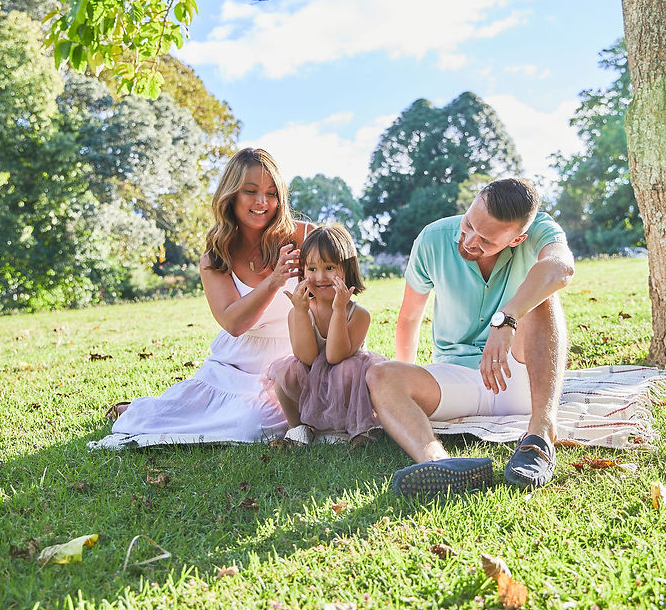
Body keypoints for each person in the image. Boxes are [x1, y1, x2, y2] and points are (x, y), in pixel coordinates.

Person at [365, 177, 575, 494]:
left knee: (545, 295)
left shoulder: (538, 230)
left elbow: (561, 268)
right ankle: (438, 464)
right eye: (469, 224)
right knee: (380, 375)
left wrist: (506, 319)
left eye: (486, 240)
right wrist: (404, 390)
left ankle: (540, 434)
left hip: (517, 379)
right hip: (454, 378)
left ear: (517, 239)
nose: (469, 240)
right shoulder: (433, 238)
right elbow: (408, 317)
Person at [108, 148, 312, 442]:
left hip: (293, 357)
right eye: (250, 191)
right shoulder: (216, 256)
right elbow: (234, 324)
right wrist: (274, 281)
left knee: (271, 418)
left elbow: (336, 290)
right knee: (253, 425)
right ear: (231, 195)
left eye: (271, 193)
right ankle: (152, 409)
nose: (262, 202)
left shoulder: (304, 236)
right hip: (235, 367)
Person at [266, 224, 385, 443]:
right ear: (303, 272)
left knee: (346, 370)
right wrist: (301, 313)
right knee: (288, 372)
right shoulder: (298, 312)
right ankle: (297, 428)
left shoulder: (359, 315)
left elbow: (334, 356)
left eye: (329, 267)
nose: (320, 277)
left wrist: (339, 309)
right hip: (312, 383)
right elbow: (307, 357)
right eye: (312, 269)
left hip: (347, 388)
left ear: (347, 269)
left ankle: (358, 429)